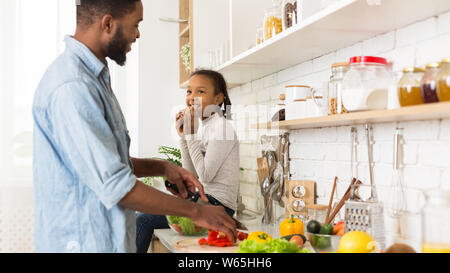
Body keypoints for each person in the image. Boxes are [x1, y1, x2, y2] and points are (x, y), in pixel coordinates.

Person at [32, 0, 236, 253]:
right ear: (108, 24)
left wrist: (163, 167)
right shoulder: (73, 86)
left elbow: (107, 162)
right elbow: (116, 185)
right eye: (135, 24)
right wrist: (196, 211)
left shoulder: (94, 79)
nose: (138, 34)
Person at [136, 70, 239, 253]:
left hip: (218, 207)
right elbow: (193, 175)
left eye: (200, 92)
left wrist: (191, 135)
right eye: (189, 91)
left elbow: (206, 176)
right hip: (203, 201)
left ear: (218, 99)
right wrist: (184, 136)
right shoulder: (204, 127)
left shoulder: (223, 128)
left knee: (143, 219)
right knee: (141, 216)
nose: (192, 97)